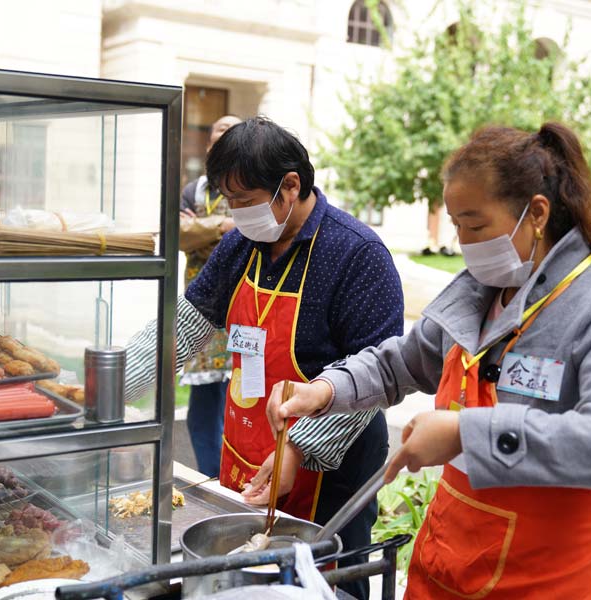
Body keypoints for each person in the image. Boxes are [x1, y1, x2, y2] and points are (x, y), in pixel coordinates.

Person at [267, 122, 591, 599]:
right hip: (459, 559)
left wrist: (465, 433)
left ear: (536, 213)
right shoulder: (480, 292)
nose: (463, 242)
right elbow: (400, 362)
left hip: (555, 574)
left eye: (475, 225)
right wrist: (325, 390)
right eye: (456, 225)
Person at [125, 116, 403, 599]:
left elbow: (376, 372)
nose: (234, 213)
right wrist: (109, 393)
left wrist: (297, 448)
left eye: (245, 201)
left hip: (330, 469)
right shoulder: (241, 244)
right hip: (248, 443)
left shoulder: (357, 254)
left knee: (325, 584)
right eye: (227, 201)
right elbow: (186, 325)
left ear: (290, 185)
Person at [178, 114, 241, 477]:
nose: (227, 139)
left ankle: (236, 482)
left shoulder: (253, 187)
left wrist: (202, 228)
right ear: (209, 146)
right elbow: (180, 234)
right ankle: (211, 481)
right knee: (204, 410)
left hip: (244, 308)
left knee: (242, 405)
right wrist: (223, 225)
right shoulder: (194, 189)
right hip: (202, 312)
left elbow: (250, 236)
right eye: (220, 133)